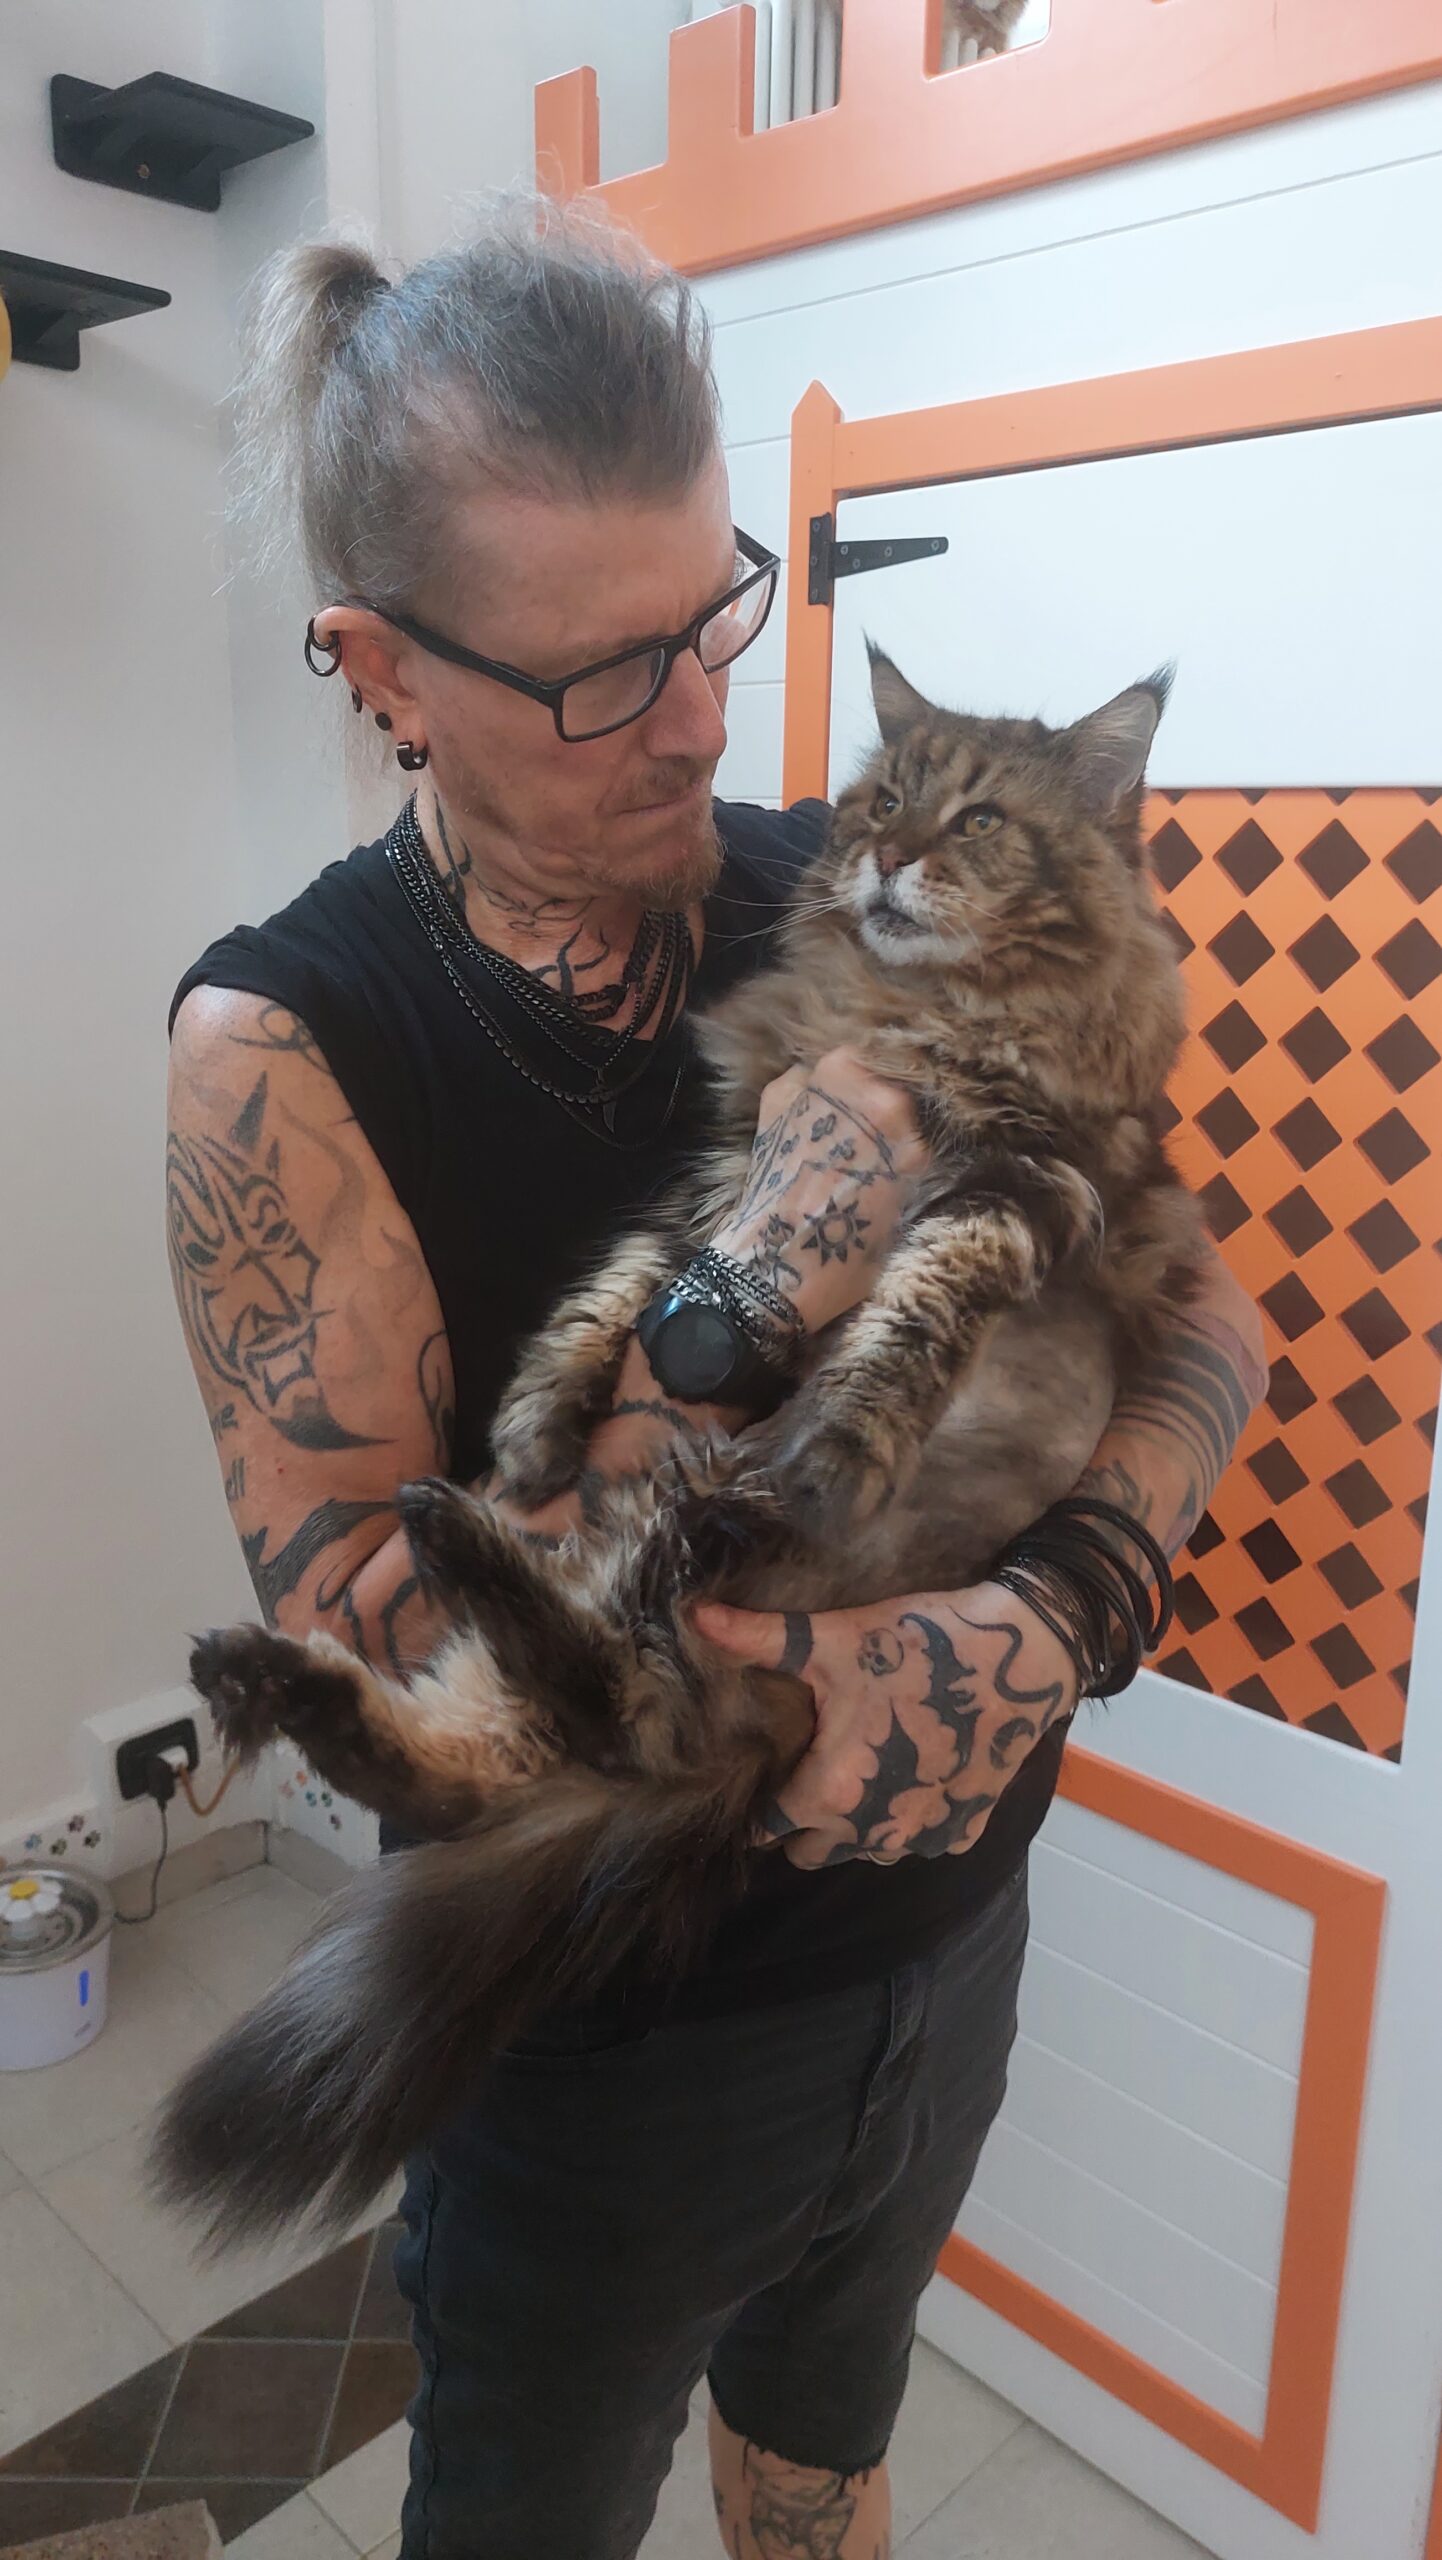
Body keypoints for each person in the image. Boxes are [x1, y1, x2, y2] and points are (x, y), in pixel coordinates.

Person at [165, 197, 1268, 2560]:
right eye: (599, 671)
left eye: (712, 618)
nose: (693, 718)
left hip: (948, 1941)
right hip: (608, 2039)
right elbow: (375, 1597)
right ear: (382, 667)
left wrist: (1063, 1609)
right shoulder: (284, 1044)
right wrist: (757, 1278)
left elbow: (1201, 1310)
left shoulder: (842, 879)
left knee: (819, 2466)